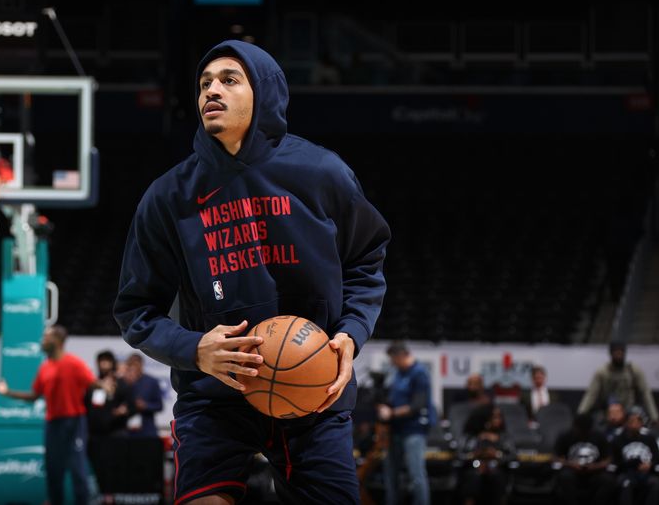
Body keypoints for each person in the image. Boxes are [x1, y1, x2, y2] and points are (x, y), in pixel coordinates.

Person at [113, 39, 391, 505]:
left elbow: (366, 259)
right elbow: (136, 310)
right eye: (204, 83)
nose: (211, 91)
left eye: (228, 80)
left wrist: (350, 333)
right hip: (214, 395)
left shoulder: (322, 172)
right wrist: (195, 349)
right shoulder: (168, 197)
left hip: (313, 391)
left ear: (263, 92)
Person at [0, 325, 96, 505]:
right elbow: (33, 395)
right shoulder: (44, 367)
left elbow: (93, 383)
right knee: (53, 471)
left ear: (59, 341)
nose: (43, 341)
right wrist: (7, 392)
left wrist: (105, 386)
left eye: (47, 337)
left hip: (74, 422)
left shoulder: (74, 363)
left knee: (78, 470)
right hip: (53, 424)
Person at [376, 341, 436, 505]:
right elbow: (393, 399)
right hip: (396, 429)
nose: (392, 363)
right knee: (390, 473)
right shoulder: (398, 373)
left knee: (416, 473)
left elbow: (418, 405)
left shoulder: (419, 373)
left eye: (393, 359)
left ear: (401, 355)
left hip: (414, 429)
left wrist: (391, 413)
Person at [84, 349, 134, 494]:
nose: (104, 364)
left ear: (112, 363)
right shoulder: (93, 384)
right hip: (95, 435)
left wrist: (123, 411)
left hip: (116, 433)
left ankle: (115, 497)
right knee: (97, 469)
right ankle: (101, 497)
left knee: (116, 469)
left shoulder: (121, 384)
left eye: (107, 361)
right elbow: (87, 404)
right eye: (101, 361)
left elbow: (131, 405)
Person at [578, 340, 659, 426]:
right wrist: (580, 414)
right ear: (611, 354)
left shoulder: (633, 370)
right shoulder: (602, 372)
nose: (619, 355)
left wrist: (654, 416)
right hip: (607, 411)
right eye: (616, 353)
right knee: (595, 422)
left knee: (638, 420)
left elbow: (645, 393)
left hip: (629, 409)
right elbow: (591, 394)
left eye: (621, 353)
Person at [553, 412, 618, 505]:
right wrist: (571, 464)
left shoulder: (599, 436)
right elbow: (555, 457)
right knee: (565, 477)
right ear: (575, 427)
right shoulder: (565, 435)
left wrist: (594, 466)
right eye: (579, 430)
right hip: (572, 470)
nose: (581, 434)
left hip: (594, 470)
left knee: (608, 480)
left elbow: (608, 458)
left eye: (585, 431)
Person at [457, 403, 514, 505]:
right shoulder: (470, 437)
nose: (498, 420)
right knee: (472, 477)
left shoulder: (504, 437)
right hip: (474, 469)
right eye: (494, 417)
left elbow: (512, 456)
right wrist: (474, 455)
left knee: (498, 477)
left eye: (499, 417)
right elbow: (460, 456)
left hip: (497, 469)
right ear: (485, 419)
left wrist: (497, 455)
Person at [611, 406, 659, 505]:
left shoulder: (649, 439)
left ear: (641, 423)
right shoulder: (618, 439)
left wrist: (650, 465)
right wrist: (631, 465)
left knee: (656, 484)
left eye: (637, 421)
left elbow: (657, 459)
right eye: (631, 421)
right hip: (627, 473)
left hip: (647, 473)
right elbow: (615, 463)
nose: (634, 424)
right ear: (626, 423)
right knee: (626, 484)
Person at [122, 353, 163, 437]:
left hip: (147, 431)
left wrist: (145, 406)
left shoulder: (151, 382)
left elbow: (159, 405)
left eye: (136, 365)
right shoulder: (122, 382)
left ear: (141, 365)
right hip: (127, 432)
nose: (134, 368)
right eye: (131, 365)